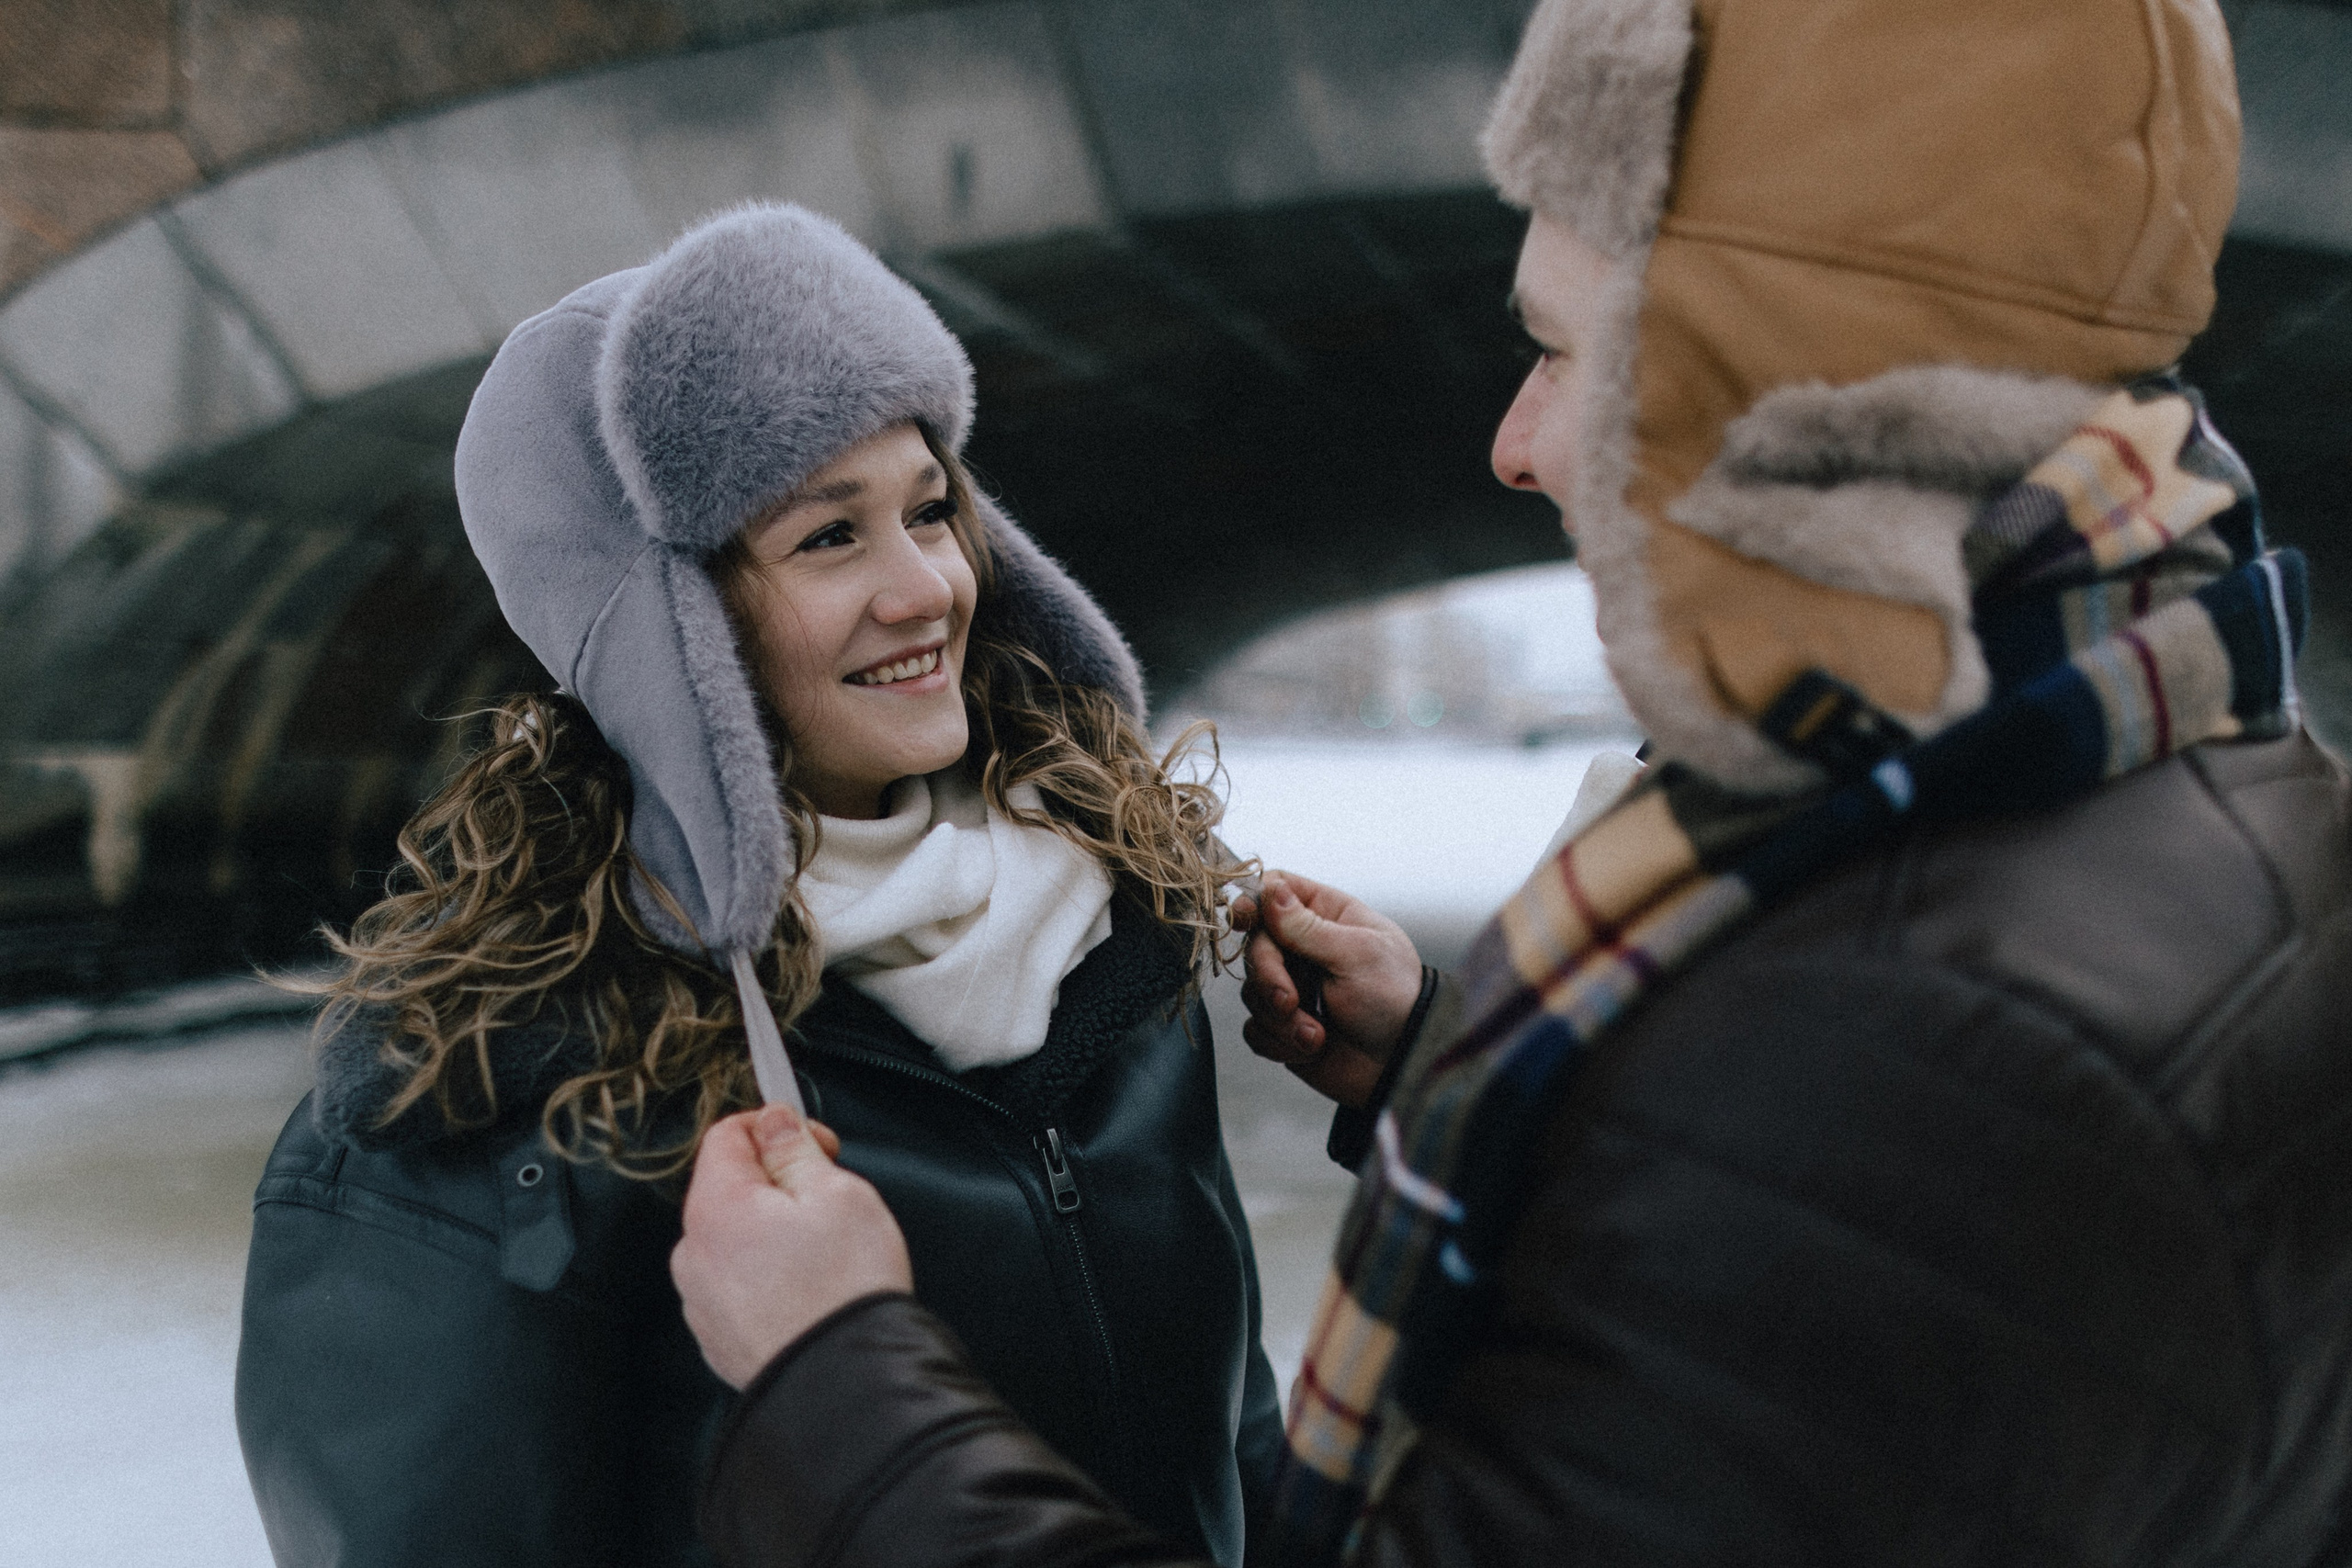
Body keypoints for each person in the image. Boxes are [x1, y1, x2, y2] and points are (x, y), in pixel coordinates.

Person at [664, 2, 2352, 1565]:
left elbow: (1837, 1210)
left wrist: (836, 1376)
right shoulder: (2209, 786)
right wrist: (1465, 1085)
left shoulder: (1887, 1065)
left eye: (1561, 349)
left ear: (1768, 380)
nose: (1513, 443)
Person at [233, 204, 1283, 1568]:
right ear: (676, 643)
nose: (928, 590)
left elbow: (1236, 1462)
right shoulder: (493, 1086)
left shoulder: (1116, 944)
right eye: (828, 539)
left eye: (929, 511)